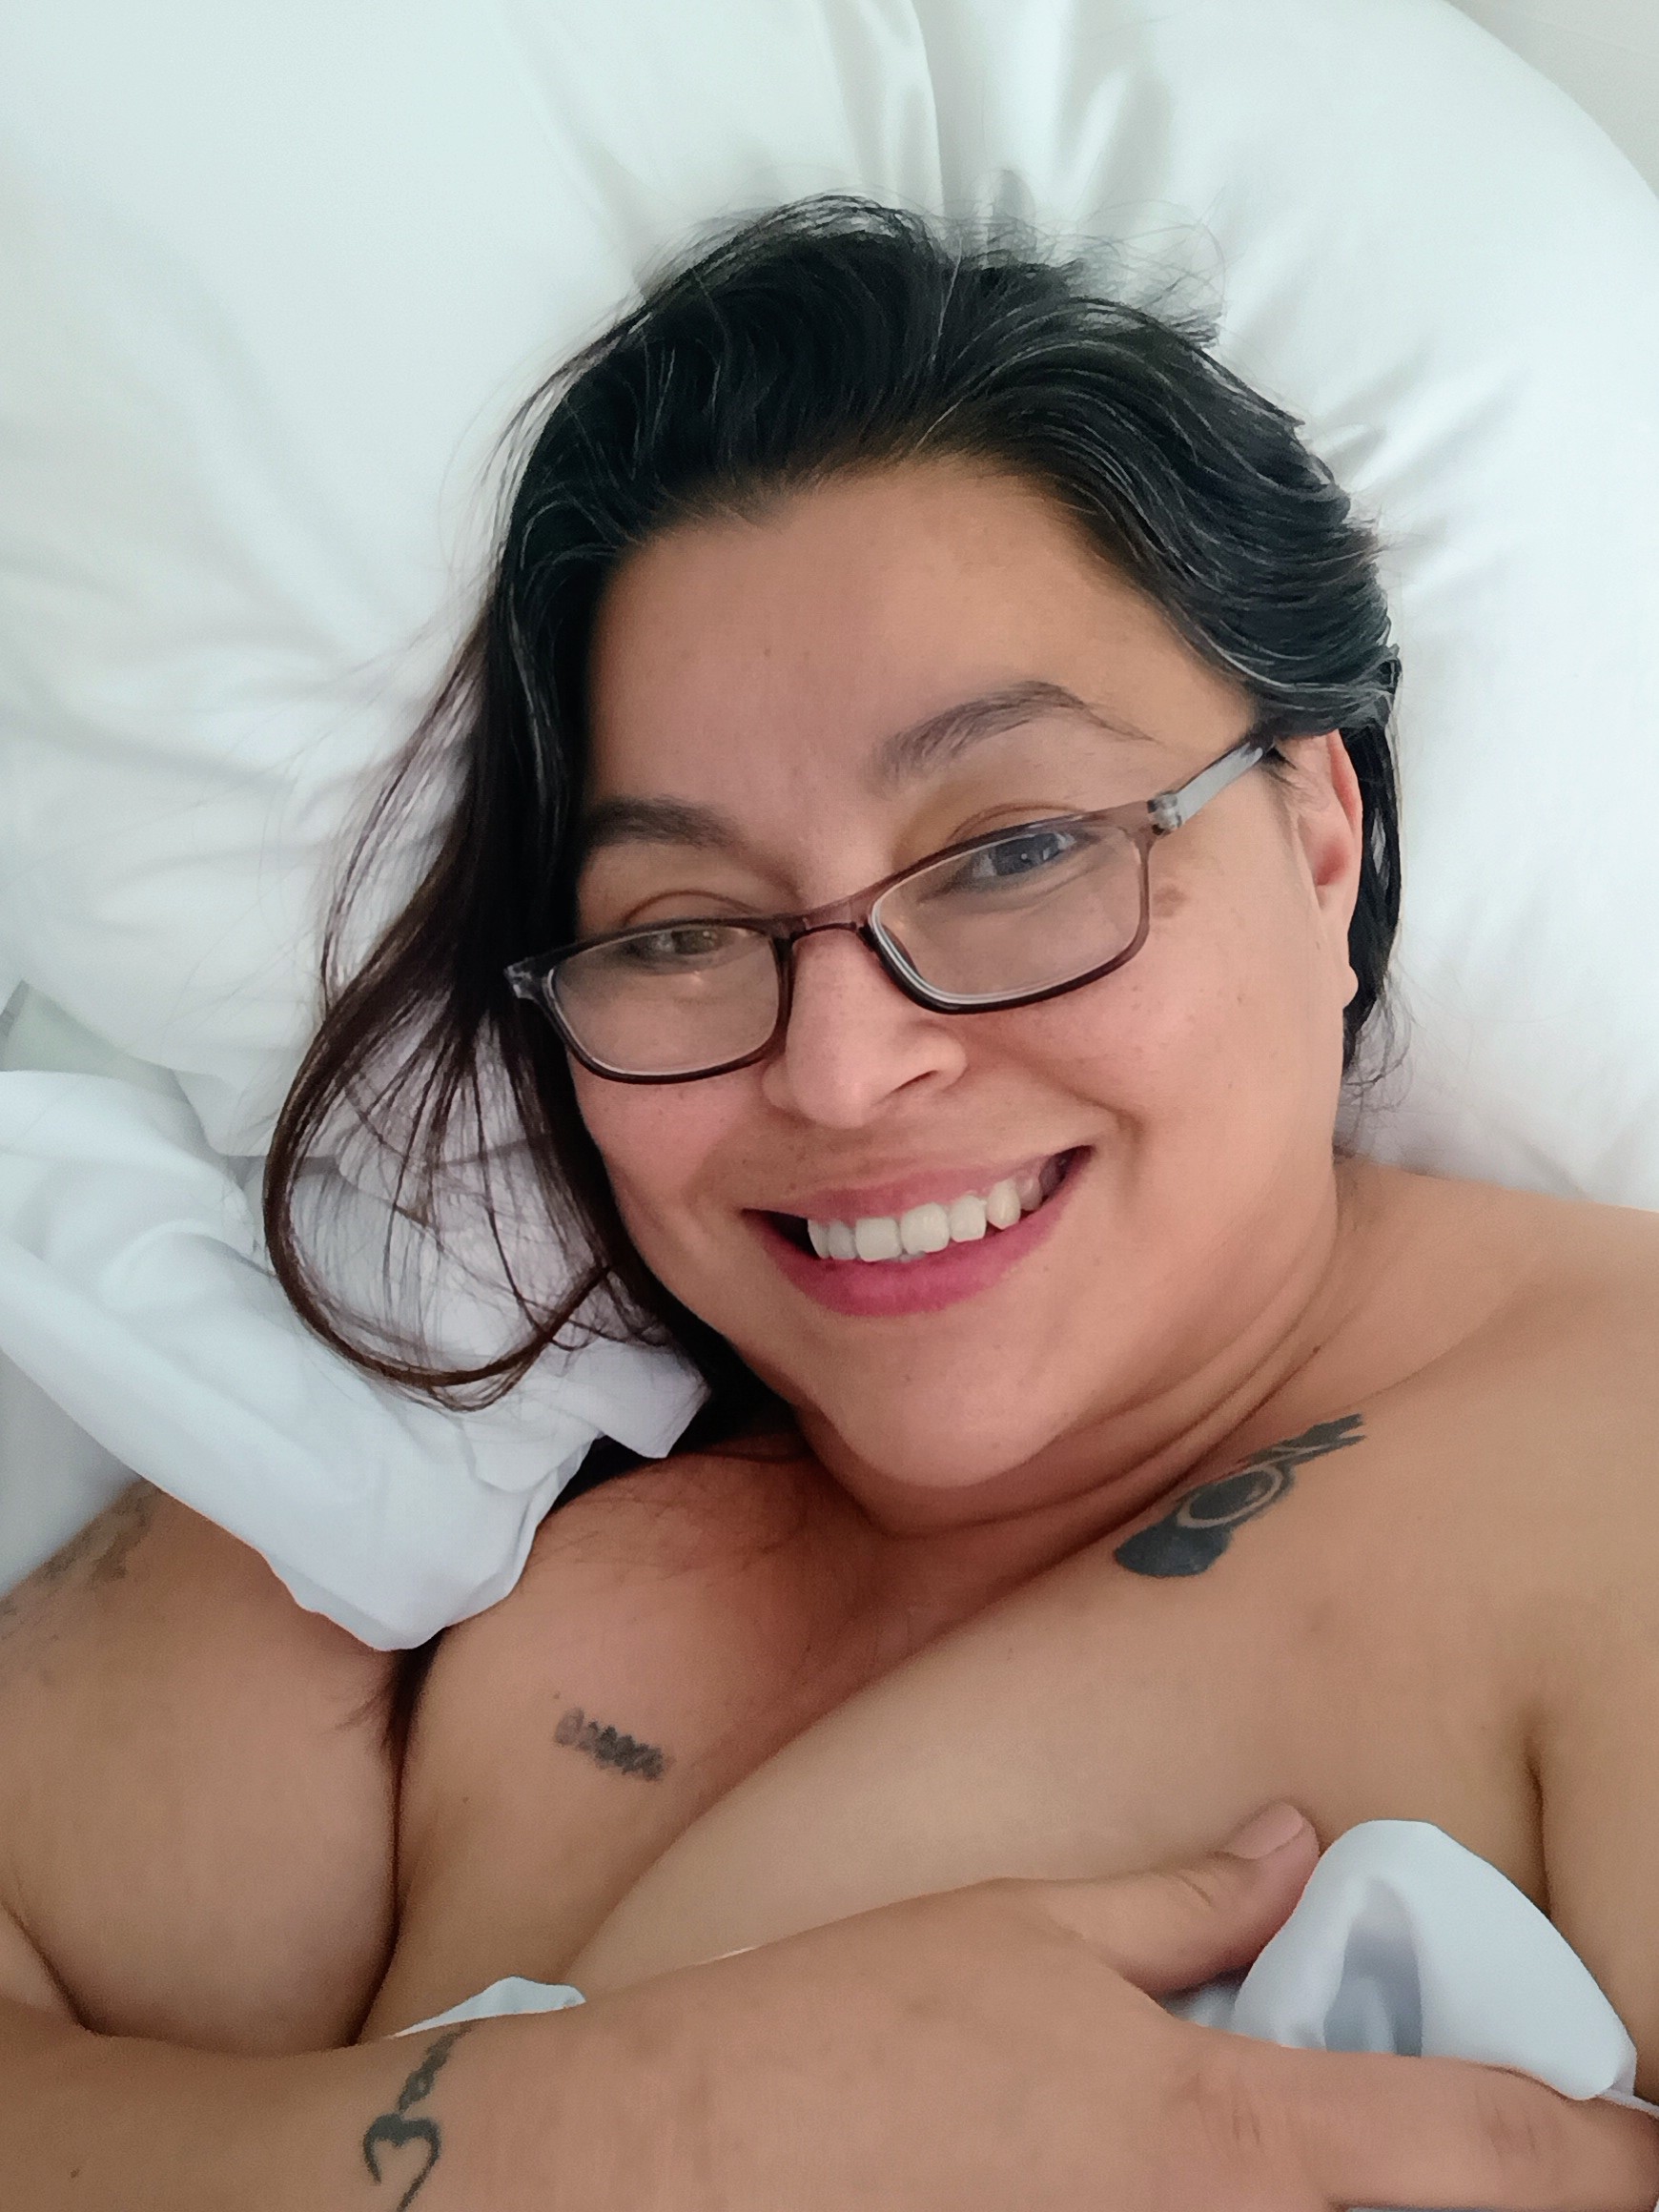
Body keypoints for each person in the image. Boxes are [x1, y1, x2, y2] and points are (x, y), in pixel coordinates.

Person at [4, 195, 1658, 2209]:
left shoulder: (1615, 1473)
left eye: (1015, 848)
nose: (843, 1071)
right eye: (680, 928)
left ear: (1321, 831)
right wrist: (631, 2131)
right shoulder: (450, 1482)